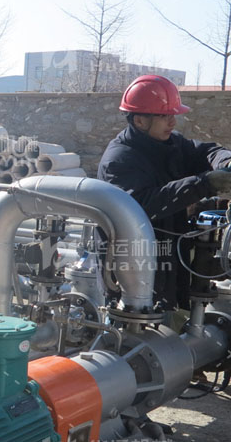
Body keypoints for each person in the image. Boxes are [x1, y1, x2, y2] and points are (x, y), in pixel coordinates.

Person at [98, 73, 231, 312]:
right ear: (140, 121)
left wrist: (226, 161)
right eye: (165, 116)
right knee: (138, 332)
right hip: (134, 276)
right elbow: (142, 206)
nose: (173, 122)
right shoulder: (119, 160)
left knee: (173, 325)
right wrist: (204, 184)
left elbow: (205, 152)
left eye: (173, 115)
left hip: (169, 265)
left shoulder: (169, 144)